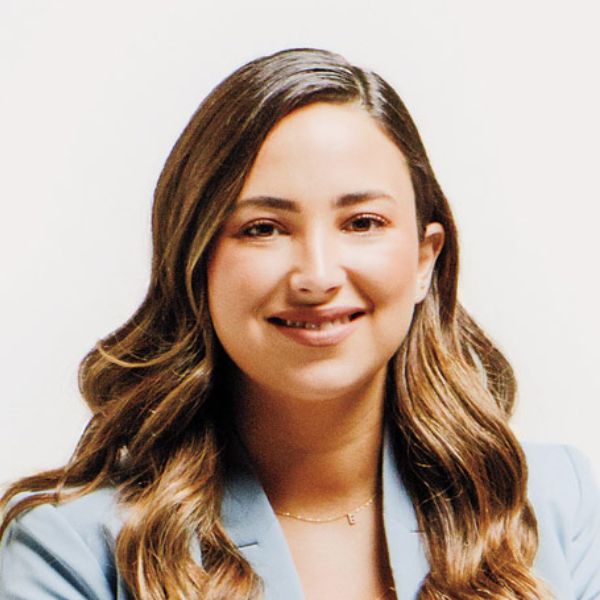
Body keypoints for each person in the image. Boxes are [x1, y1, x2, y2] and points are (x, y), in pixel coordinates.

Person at [0, 47, 599, 600]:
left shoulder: (553, 505)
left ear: (425, 260)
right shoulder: (72, 551)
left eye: (362, 223)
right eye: (263, 228)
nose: (317, 275)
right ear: (195, 264)